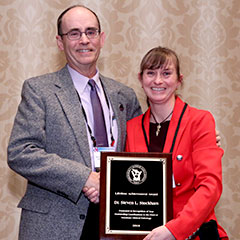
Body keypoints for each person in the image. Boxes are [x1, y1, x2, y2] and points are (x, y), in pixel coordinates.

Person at [7, 5, 142, 240]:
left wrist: (196, 137)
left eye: (90, 32)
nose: (84, 40)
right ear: (60, 42)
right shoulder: (39, 90)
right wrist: (84, 178)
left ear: (102, 39)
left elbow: (144, 147)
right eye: (74, 33)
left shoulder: (124, 95)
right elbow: (21, 152)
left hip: (113, 223)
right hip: (54, 225)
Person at [125, 46, 228, 240]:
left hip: (194, 233)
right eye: (151, 73)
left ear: (179, 80)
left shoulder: (200, 121)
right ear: (140, 79)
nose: (157, 80)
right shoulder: (131, 128)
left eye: (166, 73)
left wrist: (175, 229)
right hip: (147, 235)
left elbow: (210, 185)